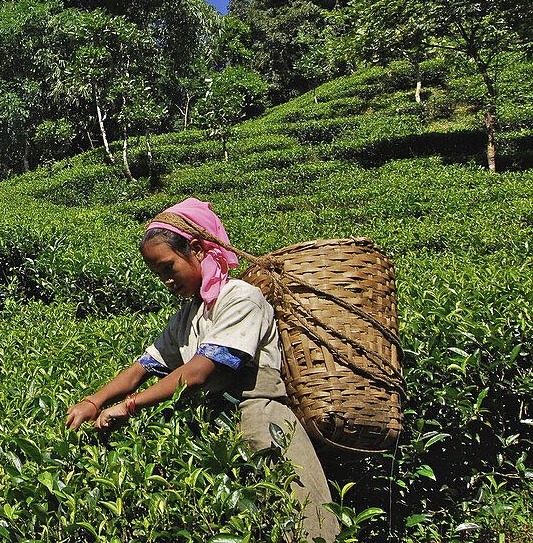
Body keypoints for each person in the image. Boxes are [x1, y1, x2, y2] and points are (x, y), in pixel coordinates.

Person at [64, 198, 339, 542]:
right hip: (218, 431)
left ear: (196, 249)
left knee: (304, 525)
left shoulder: (241, 298)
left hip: (262, 423)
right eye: (157, 275)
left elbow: (197, 373)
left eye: (168, 268)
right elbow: (142, 368)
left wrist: (129, 406)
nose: (165, 281)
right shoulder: (188, 315)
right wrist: (93, 401)